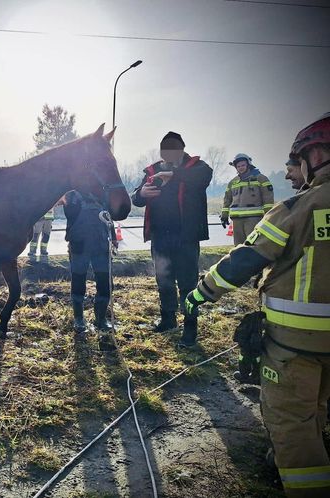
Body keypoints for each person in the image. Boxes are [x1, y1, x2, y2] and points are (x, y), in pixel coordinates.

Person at [185, 113, 330, 497]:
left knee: (291, 423)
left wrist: (201, 292)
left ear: (315, 154)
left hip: (297, 344)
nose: (294, 172)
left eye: (298, 162)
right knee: (317, 403)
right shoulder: (238, 184)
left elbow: (246, 259)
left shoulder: (301, 207)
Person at [131, 131, 212, 347]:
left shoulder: (197, 167)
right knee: (164, 281)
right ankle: (168, 320)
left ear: (182, 150)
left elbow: (203, 179)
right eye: (163, 152)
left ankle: (190, 328)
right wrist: (141, 194)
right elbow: (135, 197)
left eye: (172, 151)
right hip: (160, 236)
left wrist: (174, 175)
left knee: (187, 283)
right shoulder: (153, 170)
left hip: (186, 236)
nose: (167, 157)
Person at [63, 190, 117, 333]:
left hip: (101, 245)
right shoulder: (73, 194)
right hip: (79, 246)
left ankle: (100, 319)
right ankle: (79, 319)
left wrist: (114, 239)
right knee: (78, 281)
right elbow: (69, 214)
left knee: (105, 282)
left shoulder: (104, 194)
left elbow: (109, 219)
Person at [220, 153, 274, 245]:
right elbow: (227, 200)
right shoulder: (232, 182)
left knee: (252, 245)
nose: (241, 168)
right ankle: (239, 259)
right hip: (236, 220)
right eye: (238, 166)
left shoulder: (261, 179)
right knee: (238, 246)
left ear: (248, 165)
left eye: (243, 165)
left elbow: (268, 199)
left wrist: (268, 217)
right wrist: (224, 215)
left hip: (254, 219)